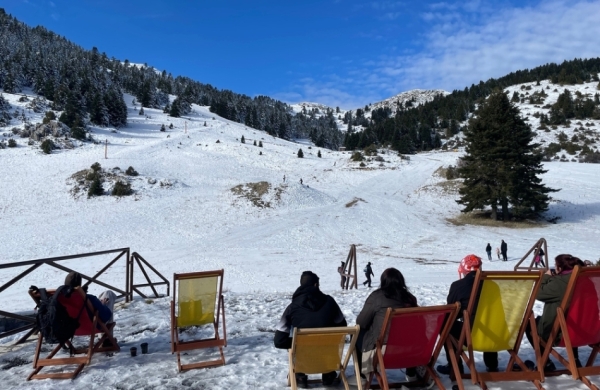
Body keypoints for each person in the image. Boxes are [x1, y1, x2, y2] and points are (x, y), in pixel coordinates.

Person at [274, 271, 347, 387]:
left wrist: (296, 342)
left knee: (298, 343)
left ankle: (300, 376)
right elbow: (343, 327)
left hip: (303, 361)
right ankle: (328, 374)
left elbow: (279, 341)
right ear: (316, 285)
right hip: (329, 359)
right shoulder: (330, 302)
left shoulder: (292, 307)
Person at [355, 268, 422, 382]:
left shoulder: (377, 297)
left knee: (356, 334)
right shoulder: (410, 299)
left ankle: (362, 376)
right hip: (410, 351)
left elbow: (361, 322)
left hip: (384, 351)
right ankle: (411, 374)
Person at [437, 255, 499, 376]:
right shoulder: (493, 286)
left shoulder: (458, 286)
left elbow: (451, 312)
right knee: (489, 320)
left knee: (445, 322)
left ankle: (455, 366)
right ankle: (492, 364)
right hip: (494, 334)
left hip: (470, 336)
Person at [524, 254, 585, 372]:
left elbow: (538, 293)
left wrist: (546, 277)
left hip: (557, 334)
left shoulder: (561, 283)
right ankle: (575, 361)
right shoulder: (586, 280)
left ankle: (545, 363)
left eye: (556, 265)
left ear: (560, 268)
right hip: (584, 331)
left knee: (529, 324)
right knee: (573, 317)